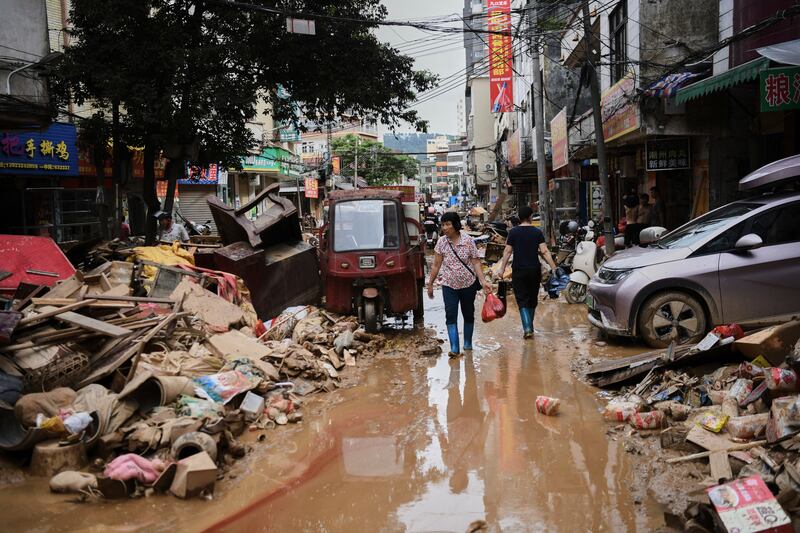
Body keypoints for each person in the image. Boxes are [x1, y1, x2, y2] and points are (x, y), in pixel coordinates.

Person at [427, 211, 492, 357]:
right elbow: (436, 266)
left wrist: (483, 281)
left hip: (468, 284)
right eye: (443, 224)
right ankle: (455, 348)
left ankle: (467, 343)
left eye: (448, 224)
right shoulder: (442, 242)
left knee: (468, 314)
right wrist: (430, 284)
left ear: (455, 225)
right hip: (449, 285)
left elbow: (476, 262)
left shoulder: (468, 241)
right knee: (450, 315)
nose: (445, 227)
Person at [496, 206, 557, 338]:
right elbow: (545, 251)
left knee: (522, 300)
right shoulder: (537, 232)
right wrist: (554, 267)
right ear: (530, 217)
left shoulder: (513, 232)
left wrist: (501, 269)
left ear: (519, 217)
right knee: (532, 299)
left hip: (519, 270)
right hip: (534, 270)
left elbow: (507, 252)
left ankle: (528, 328)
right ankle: (529, 326)